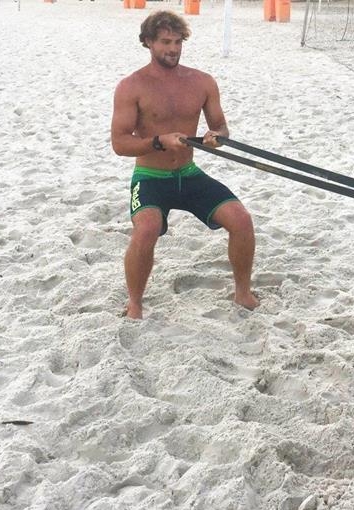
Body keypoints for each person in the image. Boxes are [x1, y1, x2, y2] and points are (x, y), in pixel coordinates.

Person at [111, 11, 259, 319]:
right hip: (150, 176)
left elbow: (220, 126)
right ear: (148, 42)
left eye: (178, 42)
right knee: (146, 229)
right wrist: (158, 141)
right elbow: (120, 143)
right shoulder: (131, 86)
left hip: (188, 174)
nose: (173, 49)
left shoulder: (202, 82)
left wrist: (217, 137)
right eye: (165, 42)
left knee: (241, 220)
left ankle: (243, 293)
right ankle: (135, 304)